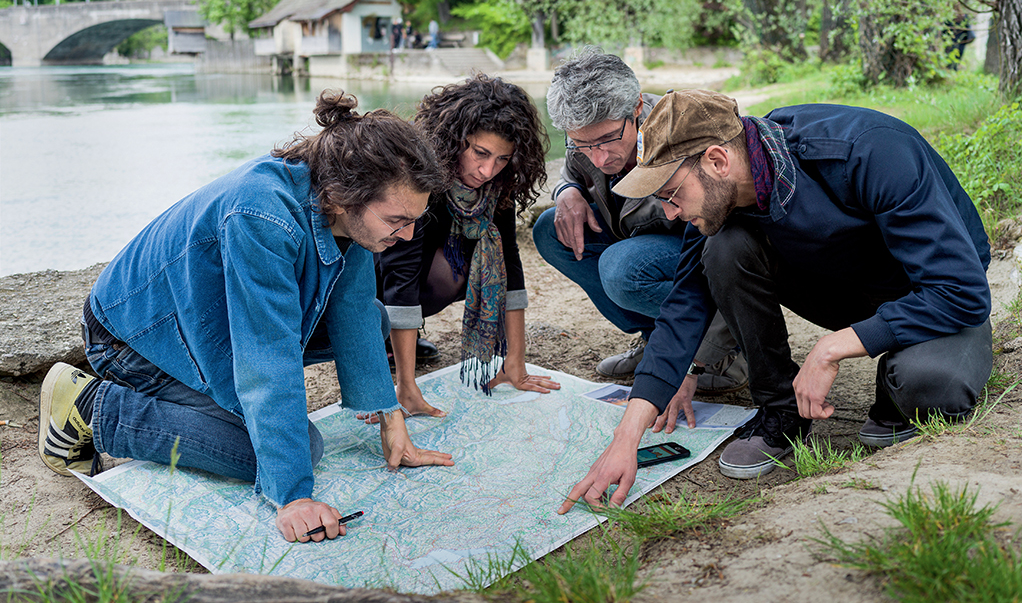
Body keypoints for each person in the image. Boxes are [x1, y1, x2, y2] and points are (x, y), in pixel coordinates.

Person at [38, 91, 455, 543]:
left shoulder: (339, 202)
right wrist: (293, 496)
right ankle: (91, 407)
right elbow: (266, 356)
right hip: (135, 339)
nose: (409, 233)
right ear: (342, 197)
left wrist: (390, 419)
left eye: (416, 218)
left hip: (201, 320)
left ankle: (180, 403)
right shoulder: (262, 216)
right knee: (299, 450)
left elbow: (352, 306)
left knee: (372, 318)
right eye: (398, 219)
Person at [560, 90, 991, 513]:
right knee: (723, 248)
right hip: (836, 287)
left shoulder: (870, 150)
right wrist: (626, 438)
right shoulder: (718, 196)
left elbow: (961, 291)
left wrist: (830, 348)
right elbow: (683, 311)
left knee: (929, 387)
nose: (669, 213)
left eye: (672, 193)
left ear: (717, 160)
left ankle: (899, 388)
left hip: (927, 293)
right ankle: (782, 413)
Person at [533, 47, 747, 393]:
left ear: (635, 108)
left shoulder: (684, 133)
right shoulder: (588, 144)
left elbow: (738, 248)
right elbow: (572, 171)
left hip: (707, 253)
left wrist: (709, 348)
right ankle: (656, 342)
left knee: (622, 268)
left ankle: (725, 353)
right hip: (647, 250)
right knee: (549, 229)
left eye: (606, 139)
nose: (598, 157)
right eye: (582, 144)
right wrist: (567, 191)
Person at [377, 74, 561, 417]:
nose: (488, 170)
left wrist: (515, 362)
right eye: (480, 153)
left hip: (423, 284)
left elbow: (509, 261)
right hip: (374, 285)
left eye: (502, 159)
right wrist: (405, 384)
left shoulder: (495, 187)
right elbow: (398, 275)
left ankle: (398, 339)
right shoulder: (416, 174)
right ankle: (387, 339)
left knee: (485, 254)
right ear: (455, 138)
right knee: (446, 262)